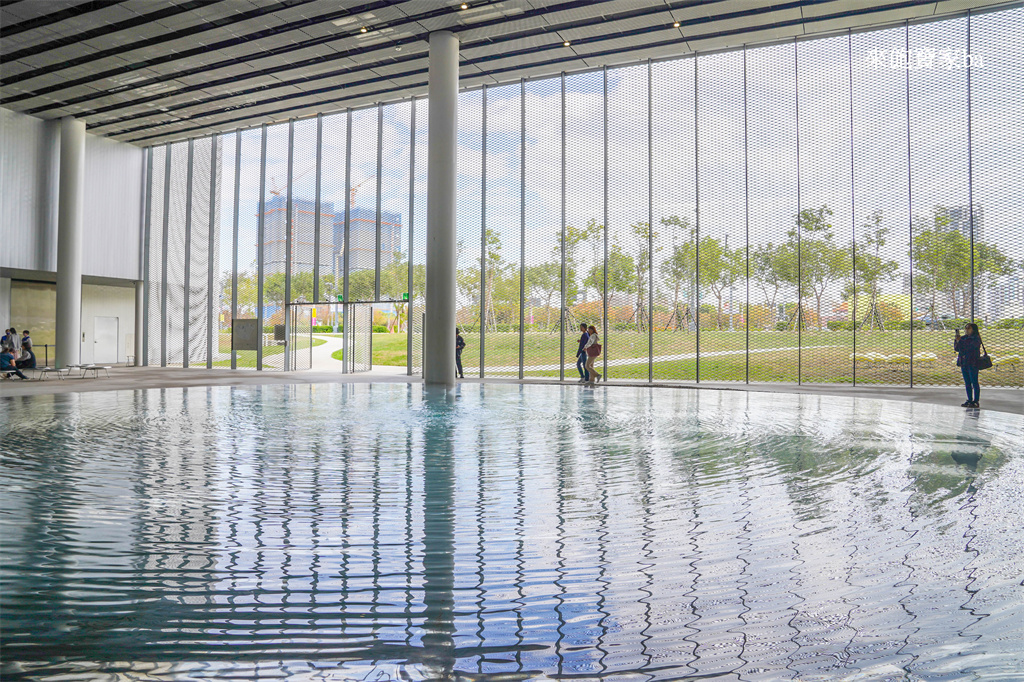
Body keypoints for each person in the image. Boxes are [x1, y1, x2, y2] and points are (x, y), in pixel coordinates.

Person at [954, 323, 983, 408]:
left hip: (973, 362)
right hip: (964, 362)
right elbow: (957, 348)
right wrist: (957, 341)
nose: (966, 330)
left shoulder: (976, 338)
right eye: (965, 328)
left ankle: (976, 400)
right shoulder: (963, 338)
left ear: (973, 329)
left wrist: (961, 341)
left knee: (974, 382)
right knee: (967, 382)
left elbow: (970, 347)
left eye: (968, 328)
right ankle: (969, 399)